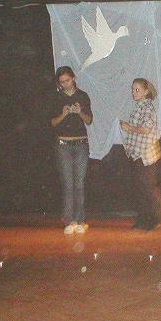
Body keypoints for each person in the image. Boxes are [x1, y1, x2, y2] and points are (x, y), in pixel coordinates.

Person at [50, 66, 93, 235]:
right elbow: (52, 123)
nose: (65, 84)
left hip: (81, 143)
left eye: (67, 80)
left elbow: (89, 120)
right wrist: (63, 114)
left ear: (73, 78)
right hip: (63, 144)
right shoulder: (56, 98)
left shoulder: (82, 96)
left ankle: (81, 220)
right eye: (62, 82)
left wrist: (79, 112)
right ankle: (70, 221)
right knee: (68, 184)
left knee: (79, 183)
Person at [120, 78, 161, 231]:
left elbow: (146, 129)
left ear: (146, 91)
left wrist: (128, 127)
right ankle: (145, 220)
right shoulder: (140, 106)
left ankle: (158, 220)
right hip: (137, 153)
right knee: (141, 189)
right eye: (132, 89)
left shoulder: (147, 107)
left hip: (146, 154)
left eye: (137, 89)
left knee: (149, 189)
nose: (133, 92)